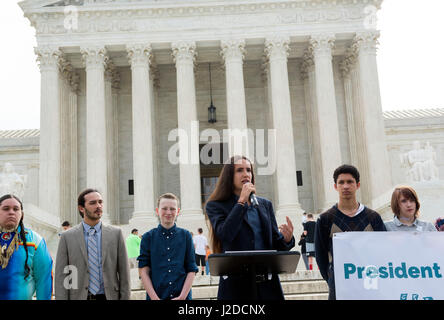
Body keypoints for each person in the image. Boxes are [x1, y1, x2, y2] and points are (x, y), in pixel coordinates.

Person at [205, 155, 295, 300]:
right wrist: (241, 203)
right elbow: (225, 234)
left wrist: (286, 239)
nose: (246, 174)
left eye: (249, 170)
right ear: (229, 176)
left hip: (267, 285)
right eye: (239, 170)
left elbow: (275, 245)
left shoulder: (264, 205)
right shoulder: (215, 205)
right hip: (236, 286)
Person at [314, 164, 386, 300]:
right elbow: (321, 255)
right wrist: (332, 279)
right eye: (341, 182)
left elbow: (382, 250)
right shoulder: (325, 219)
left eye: (350, 182)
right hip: (339, 287)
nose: (345, 186)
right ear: (335, 186)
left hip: (370, 285)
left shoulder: (373, 217)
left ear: (357, 185)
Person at [55, 188, 131, 300]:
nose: (98, 206)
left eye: (100, 202)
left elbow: (124, 273)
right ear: (81, 208)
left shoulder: (116, 234)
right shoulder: (67, 237)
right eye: (93, 203)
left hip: (109, 296)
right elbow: (61, 275)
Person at [138, 193, 198, 300]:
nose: (168, 212)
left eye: (172, 209)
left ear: (178, 211)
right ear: (157, 211)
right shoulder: (147, 237)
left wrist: (182, 297)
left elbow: (191, 269)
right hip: (156, 296)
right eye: (164, 208)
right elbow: (143, 270)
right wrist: (154, 298)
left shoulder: (186, 236)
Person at [0, 194, 53, 300]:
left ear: (22, 215)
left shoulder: (35, 241)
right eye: (6, 209)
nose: (11, 212)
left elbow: (44, 280)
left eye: (16, 209)